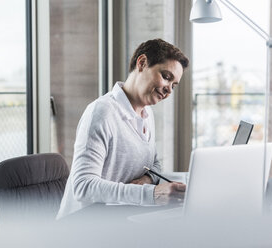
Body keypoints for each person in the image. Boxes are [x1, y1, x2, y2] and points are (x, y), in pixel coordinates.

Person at [57, 39, 189, 219]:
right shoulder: (102, 112)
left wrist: (146, 180)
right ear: (142, 63)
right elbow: (83, 186)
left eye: (174, 85)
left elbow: (154, 165)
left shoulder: (147, 114)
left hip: (119, 216)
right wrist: (152, 194)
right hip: (83, 224)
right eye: (166, 77)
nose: (169, 91)